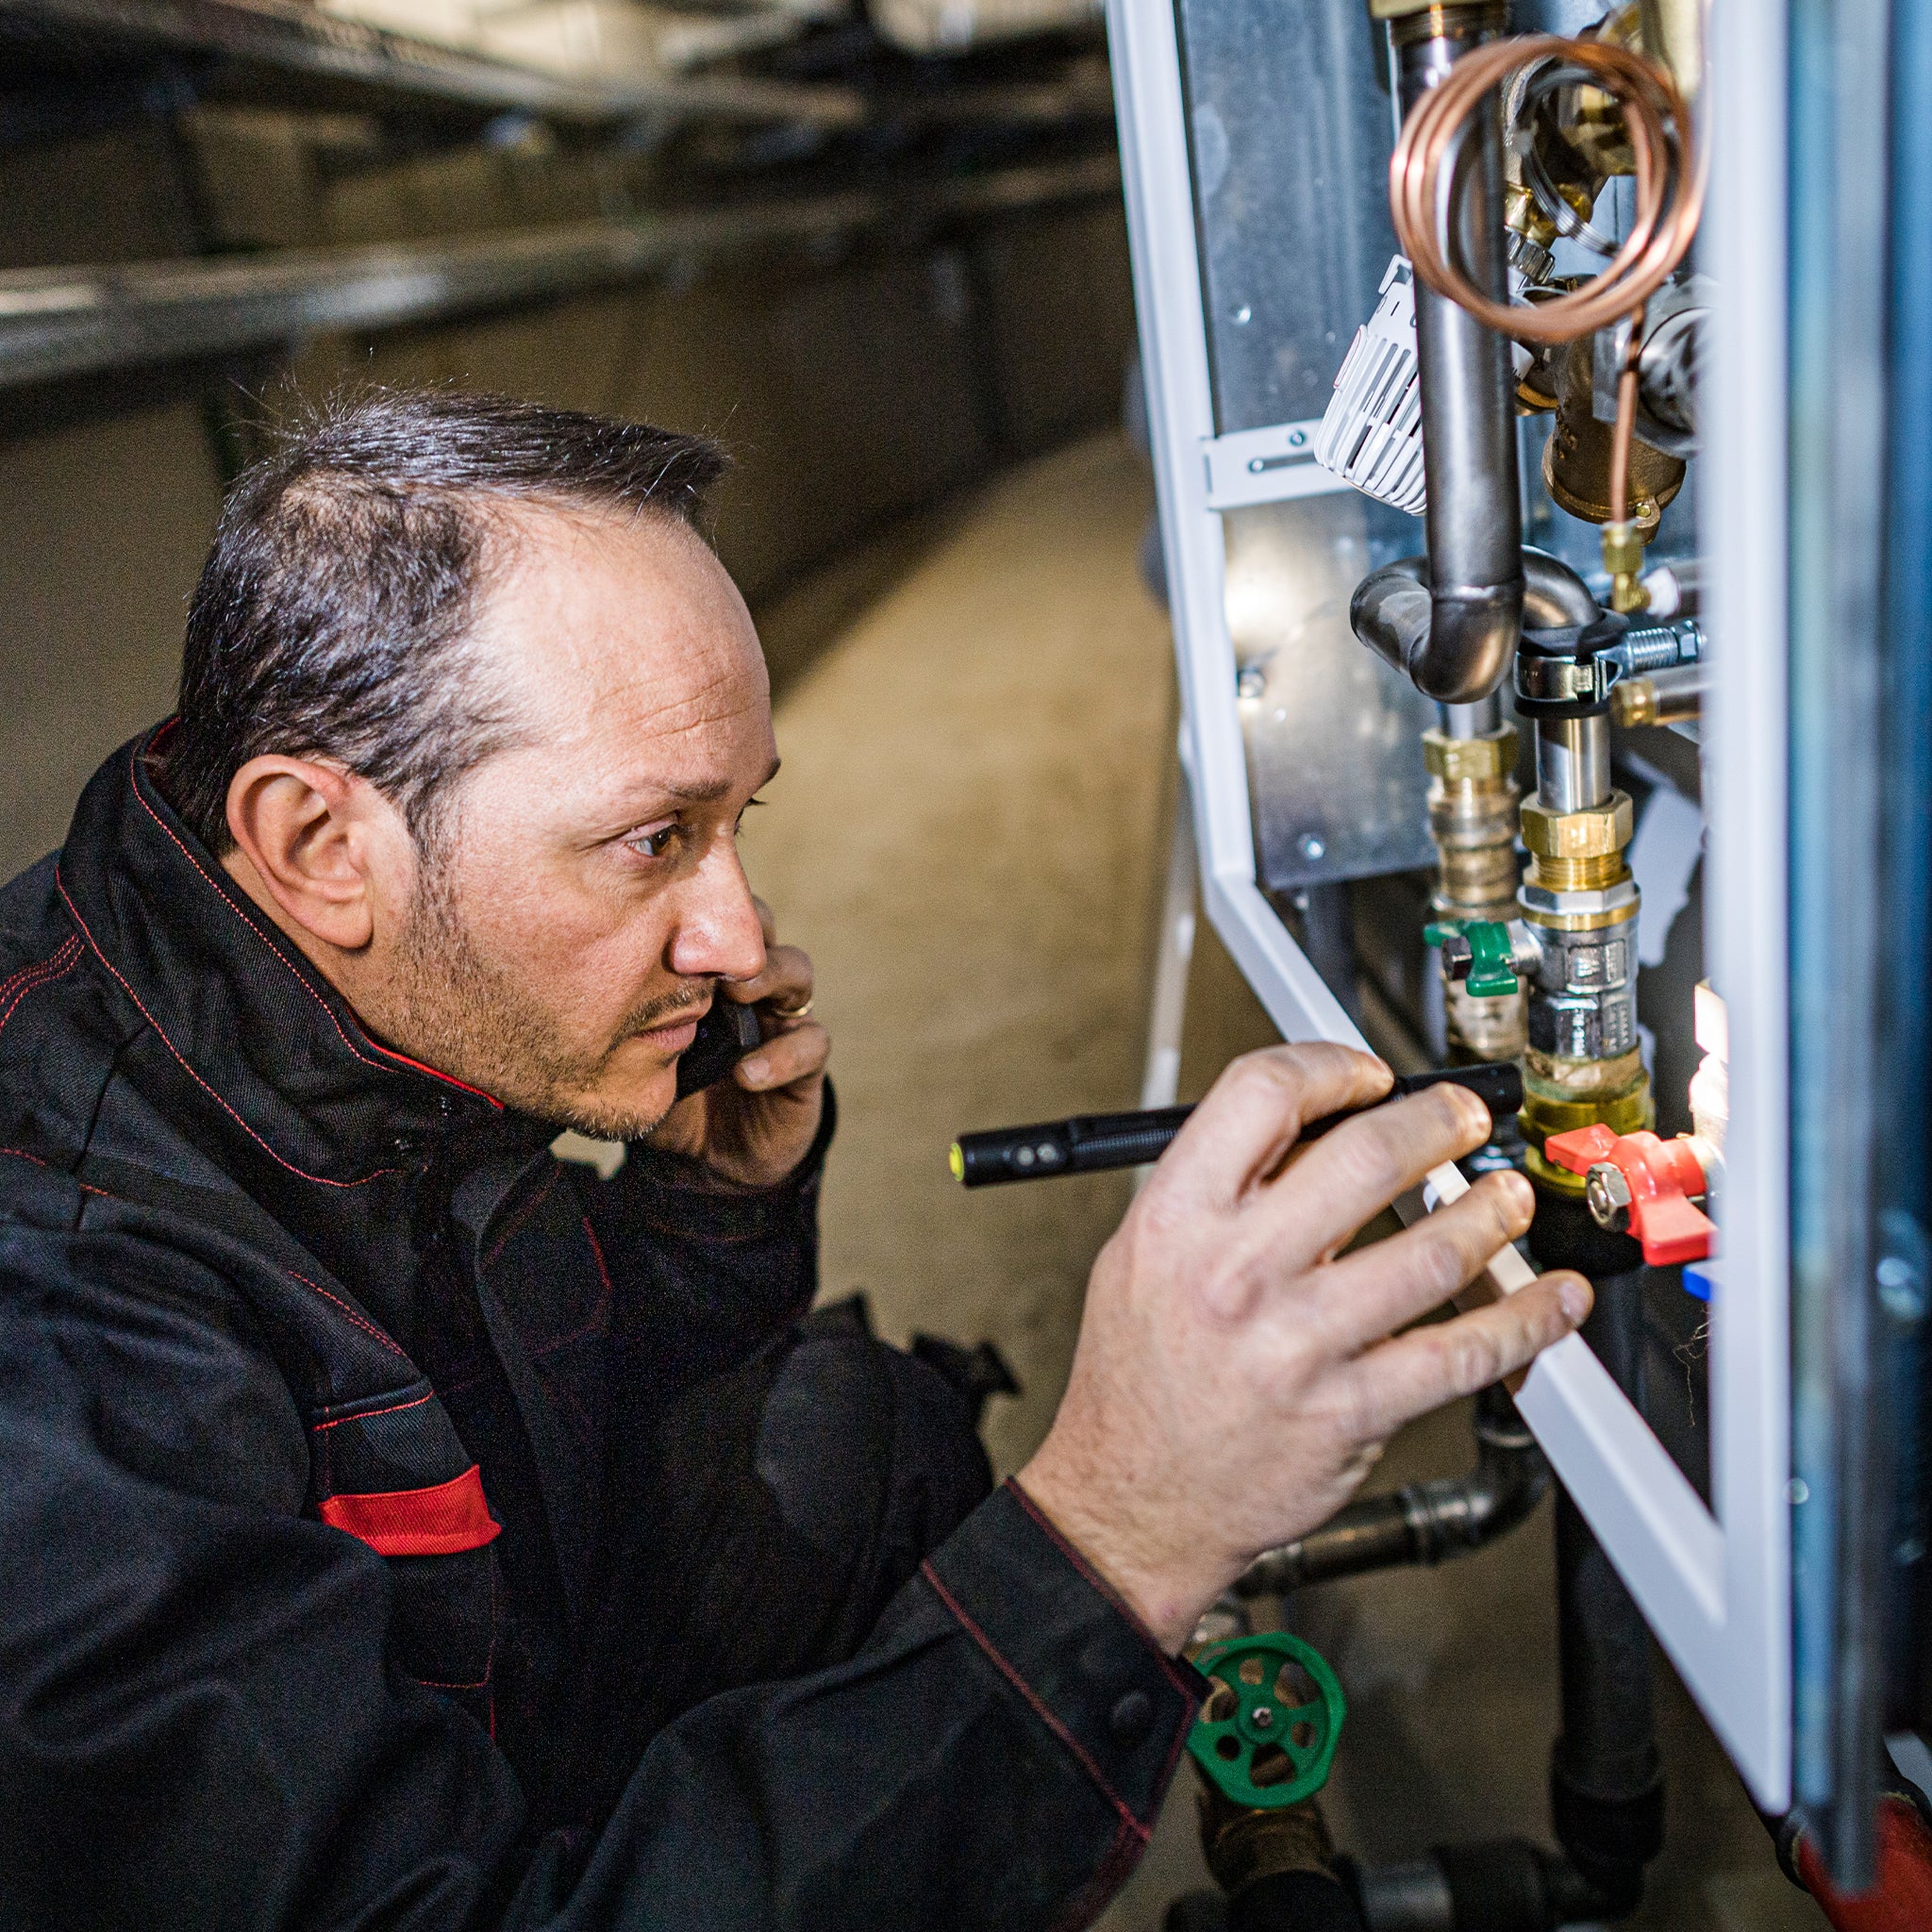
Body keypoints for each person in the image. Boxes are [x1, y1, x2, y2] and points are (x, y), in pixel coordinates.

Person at [0, 388, 1589, 1929]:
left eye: (739, 821)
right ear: (318, 842)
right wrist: (1123, 1537)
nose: (737, 933)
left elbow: (550, 1451)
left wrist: (708, 1216)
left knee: (869, 1442)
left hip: (489, 1698)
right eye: (653, 839)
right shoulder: (69, 1346)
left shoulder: (358, 989)